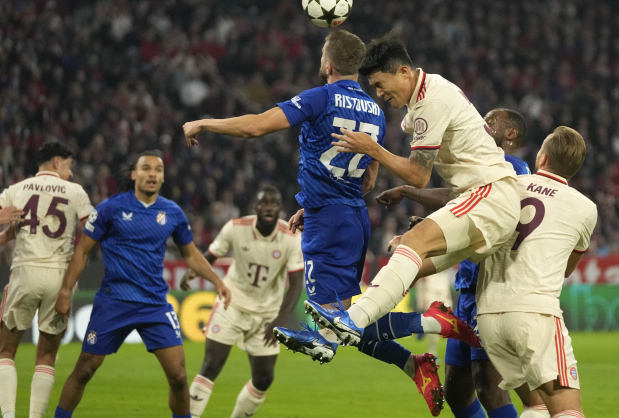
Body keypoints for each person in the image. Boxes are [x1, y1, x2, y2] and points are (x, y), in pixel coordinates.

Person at [182, 31, 446, 416]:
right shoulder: (375, 110)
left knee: (327, 329)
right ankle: (413, 364)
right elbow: (368, 180)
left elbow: (256, 126)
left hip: (329, 221)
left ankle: (428, 321)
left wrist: (205, 123)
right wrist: (323, 201)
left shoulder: (318, 97)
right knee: (343, 319)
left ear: (327, 66)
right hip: (353, 218)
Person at [304, 31, 521, 358]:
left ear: (404, 71)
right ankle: (341, 334)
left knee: (414, 243)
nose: (378, 94)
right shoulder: (425, 99)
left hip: (490, 193)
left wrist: (374, 149)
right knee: (411, 260)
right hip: (477, 199)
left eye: (380, 85)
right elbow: (414, 128)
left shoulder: (432, 100)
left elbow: (419, 175)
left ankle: (347, 322)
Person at [375, 108, 531, 418]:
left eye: (492, 121)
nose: (483, 125)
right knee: (457, 391)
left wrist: (409, 192)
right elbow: (462, 206)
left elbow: (457, 201)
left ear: (511, 135)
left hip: (491, 290)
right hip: (467, 290)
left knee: (489, 386)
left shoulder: (510, 168)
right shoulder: (482, 168)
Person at [52, 151, 231, 418]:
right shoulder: (110, 208)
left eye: (157, 170)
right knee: (85, 369)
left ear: (163, 177)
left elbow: (191, 254)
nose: (152, 174)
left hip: (154, 305)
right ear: (134, 174)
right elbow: (83, 251)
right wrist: (65, 291)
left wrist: (217, 280)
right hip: (114, 301)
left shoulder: (172, 212)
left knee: (179, 376)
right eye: (146, 169)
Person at [476, 127, 597, 418]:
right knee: (567, 409)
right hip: (534, 314)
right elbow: (567, 269)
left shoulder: (510, 185)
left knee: (537, 406)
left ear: (541, 158)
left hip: (489, 317)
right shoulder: (585, 208)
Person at [0, 142, 93, 418]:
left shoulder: (18, 189)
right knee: (47, 356)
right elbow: (93, 230)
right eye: (69, 165)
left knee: (4, 351)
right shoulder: (76, 192)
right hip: (60, 277)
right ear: (56, 162)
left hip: (25, 272)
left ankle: (8, 416)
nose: (71, 173)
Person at [179, 186, 304, 418]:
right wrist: (194, 272)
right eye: (263, 203)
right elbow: (211, 256)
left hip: (267, 313)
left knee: (264, 378)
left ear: (280, 209)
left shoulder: (291, 237)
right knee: (210, 366)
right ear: (255, 207)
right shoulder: (235, 228)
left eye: (273, 203)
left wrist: (281, 318)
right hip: (232, 304)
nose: (268, 207)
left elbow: (297, 283)